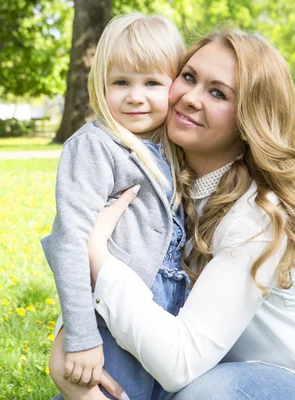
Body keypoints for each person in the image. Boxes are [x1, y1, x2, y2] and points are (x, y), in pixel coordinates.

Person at [50, 29, 295, 400]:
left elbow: (179, 363)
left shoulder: (259, 215)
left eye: (218, 93)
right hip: (196, 371)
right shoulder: (155, 177)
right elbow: (123, 270)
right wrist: (73, 336)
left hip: (291, 383)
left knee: (207, 394)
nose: (190, 98)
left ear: (250, 116)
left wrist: (97, 254)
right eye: (188, 77)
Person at [41, 13, 188, 400]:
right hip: (110, 320)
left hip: (162, 316)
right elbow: (69, 242)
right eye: (120, 82)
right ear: (99, 84)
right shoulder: (95, 146)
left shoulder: (169, 147)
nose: (135, 96)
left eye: (152, 82)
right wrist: (82, 336)